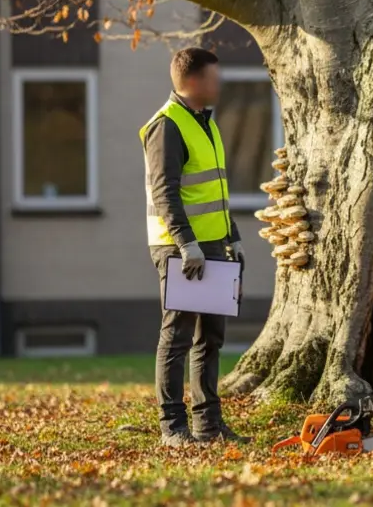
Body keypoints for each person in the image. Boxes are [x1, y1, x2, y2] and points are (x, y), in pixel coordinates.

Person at [140, 47, 248, 446]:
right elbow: (165, 192)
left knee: (210, 337)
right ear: (194, 80)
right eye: (214, 77)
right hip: (181, 249)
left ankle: (207, 425)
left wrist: (231, 236)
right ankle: (172, 427)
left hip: (214, 245)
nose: (220, 84)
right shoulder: (167, 125)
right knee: (178, 336)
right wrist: (188, 246)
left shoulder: (205, 123)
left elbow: (213, 190)